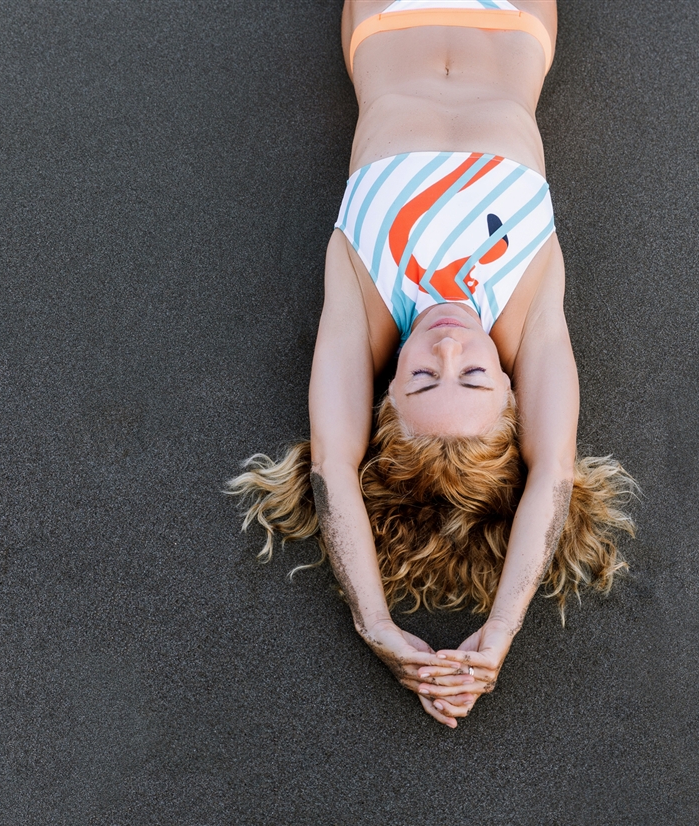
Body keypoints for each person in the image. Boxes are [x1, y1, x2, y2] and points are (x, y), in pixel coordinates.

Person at [228, 0, 635, 728]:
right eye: (474, 376)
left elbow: (332, 468)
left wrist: (375, 622)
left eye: (421, 377)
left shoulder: (365, 295)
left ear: (386, 393)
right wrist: (501, 627)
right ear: (512, 389)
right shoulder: (527, 303)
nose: (448, 347)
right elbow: (553, 470)